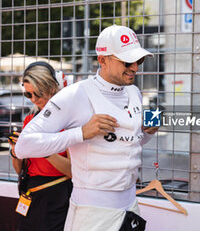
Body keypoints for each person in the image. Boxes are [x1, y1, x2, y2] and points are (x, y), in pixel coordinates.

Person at [15, 24, 158, 231]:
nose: (135, 67)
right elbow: (23, 146)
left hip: (130, 207)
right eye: (127, 61)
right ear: (103, 60)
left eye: (139, 60)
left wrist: (146, 132)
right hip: (92, 212)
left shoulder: (134, 92)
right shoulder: (76, 94)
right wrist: (80, 133)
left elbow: (127, 145)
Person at [9, 61, 72, 231]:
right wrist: (16, 152)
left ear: (52, 87)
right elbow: (20, 170)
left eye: (39, 93)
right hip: (30, 193)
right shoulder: (30, 120)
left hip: (58, 195)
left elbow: (72, 171)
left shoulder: (69, 120)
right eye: (28, 95)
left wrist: (43, 148)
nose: (35, 100)